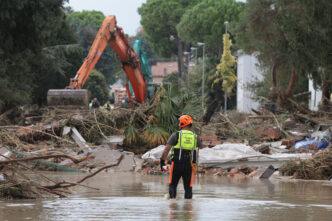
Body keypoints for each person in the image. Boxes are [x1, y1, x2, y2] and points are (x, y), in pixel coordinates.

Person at [160, 115, 202, 199]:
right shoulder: (195, 137)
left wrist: (162, 161)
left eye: (180, 122)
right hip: (190, 166)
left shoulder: (176, 135)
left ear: (182, 123)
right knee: (188, 188)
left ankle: (172, 206)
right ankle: (188, 207)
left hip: (176, 164)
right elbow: (201, 146)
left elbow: (166, 150)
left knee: (173, 185)